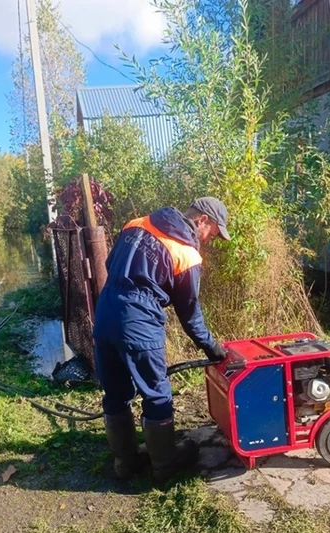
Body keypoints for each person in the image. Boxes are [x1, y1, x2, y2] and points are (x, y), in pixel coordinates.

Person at [92, 197, 230, 484]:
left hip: (105, 313)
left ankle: (125, 462)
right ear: (202, 220)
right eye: (212, 233)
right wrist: (212, 347)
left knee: (115, 392)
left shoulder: (136, 224)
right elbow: (189, 312)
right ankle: (165, 467)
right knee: (156, 395)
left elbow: (109, 262)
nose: (208, 240)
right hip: (139, 322)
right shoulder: (186, 253)